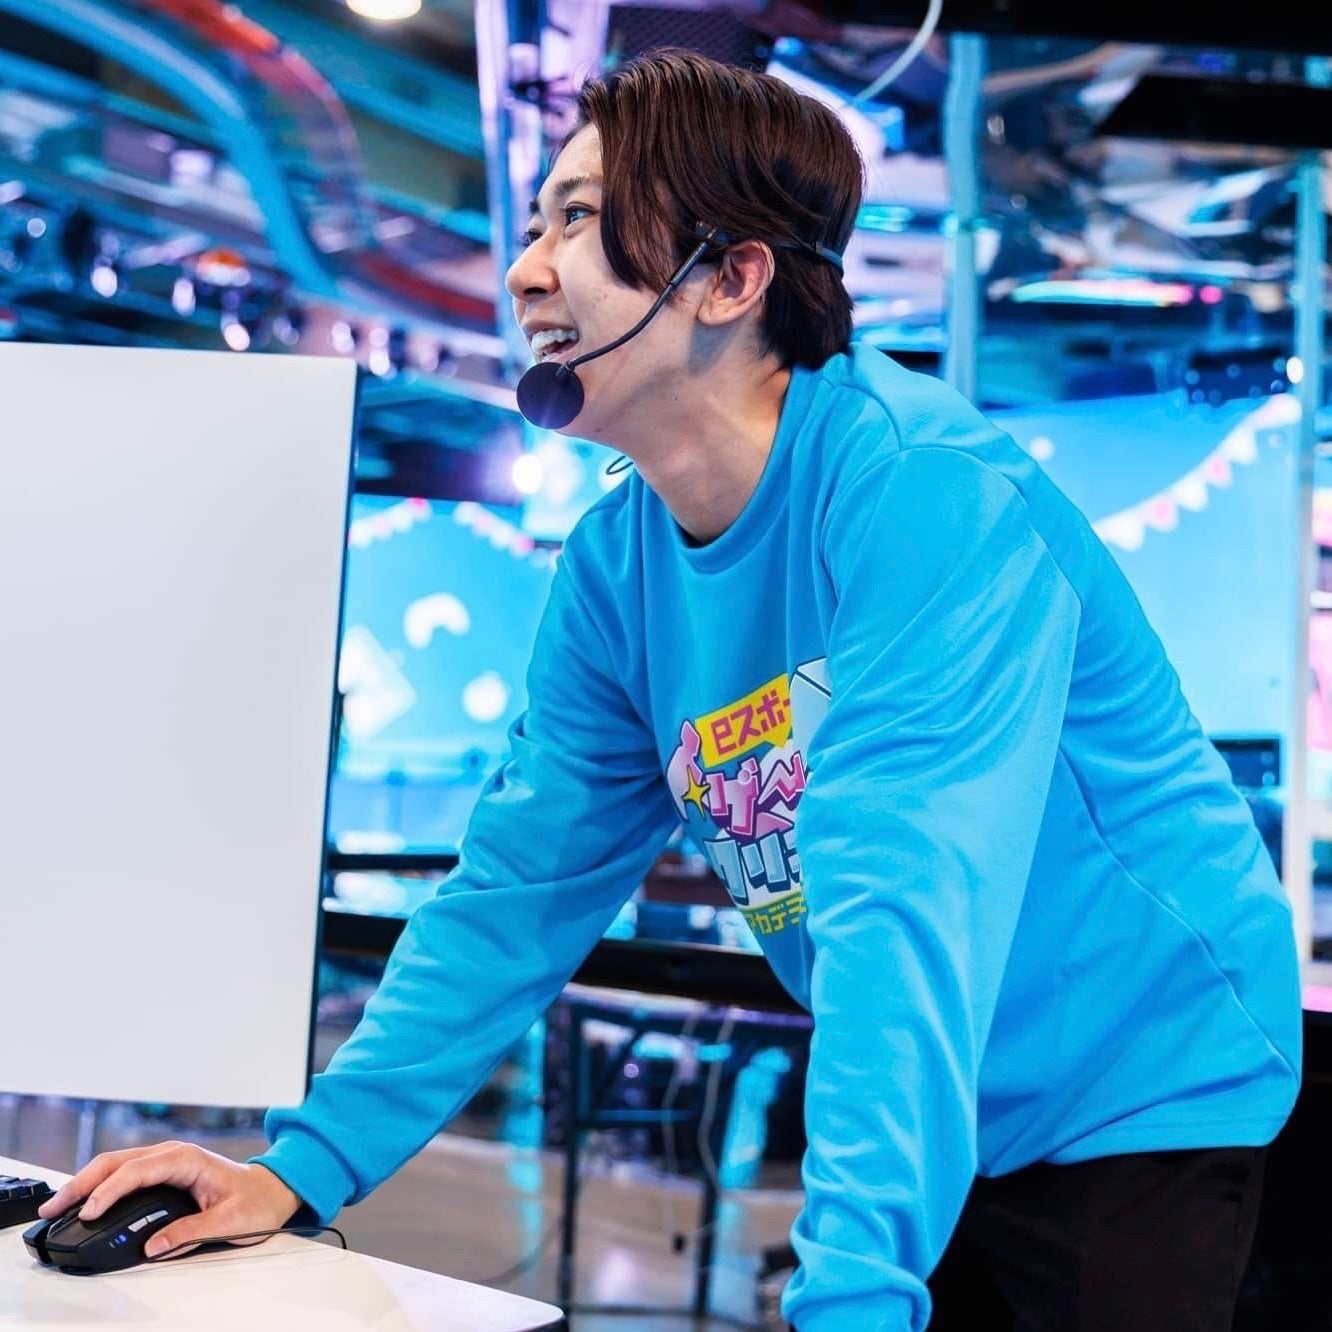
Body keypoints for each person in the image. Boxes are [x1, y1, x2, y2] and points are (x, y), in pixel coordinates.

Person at [42, 50, 1301, 1331]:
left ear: (733, 278)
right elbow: (516, 893)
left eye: (578, 219)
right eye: (537, 225)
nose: (525, 270)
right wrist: (299, 1169)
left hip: (1136, 1083)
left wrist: (849, 1299)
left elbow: (903, 902)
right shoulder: (617, 566)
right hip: (941, 1093)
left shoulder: (924, 492)